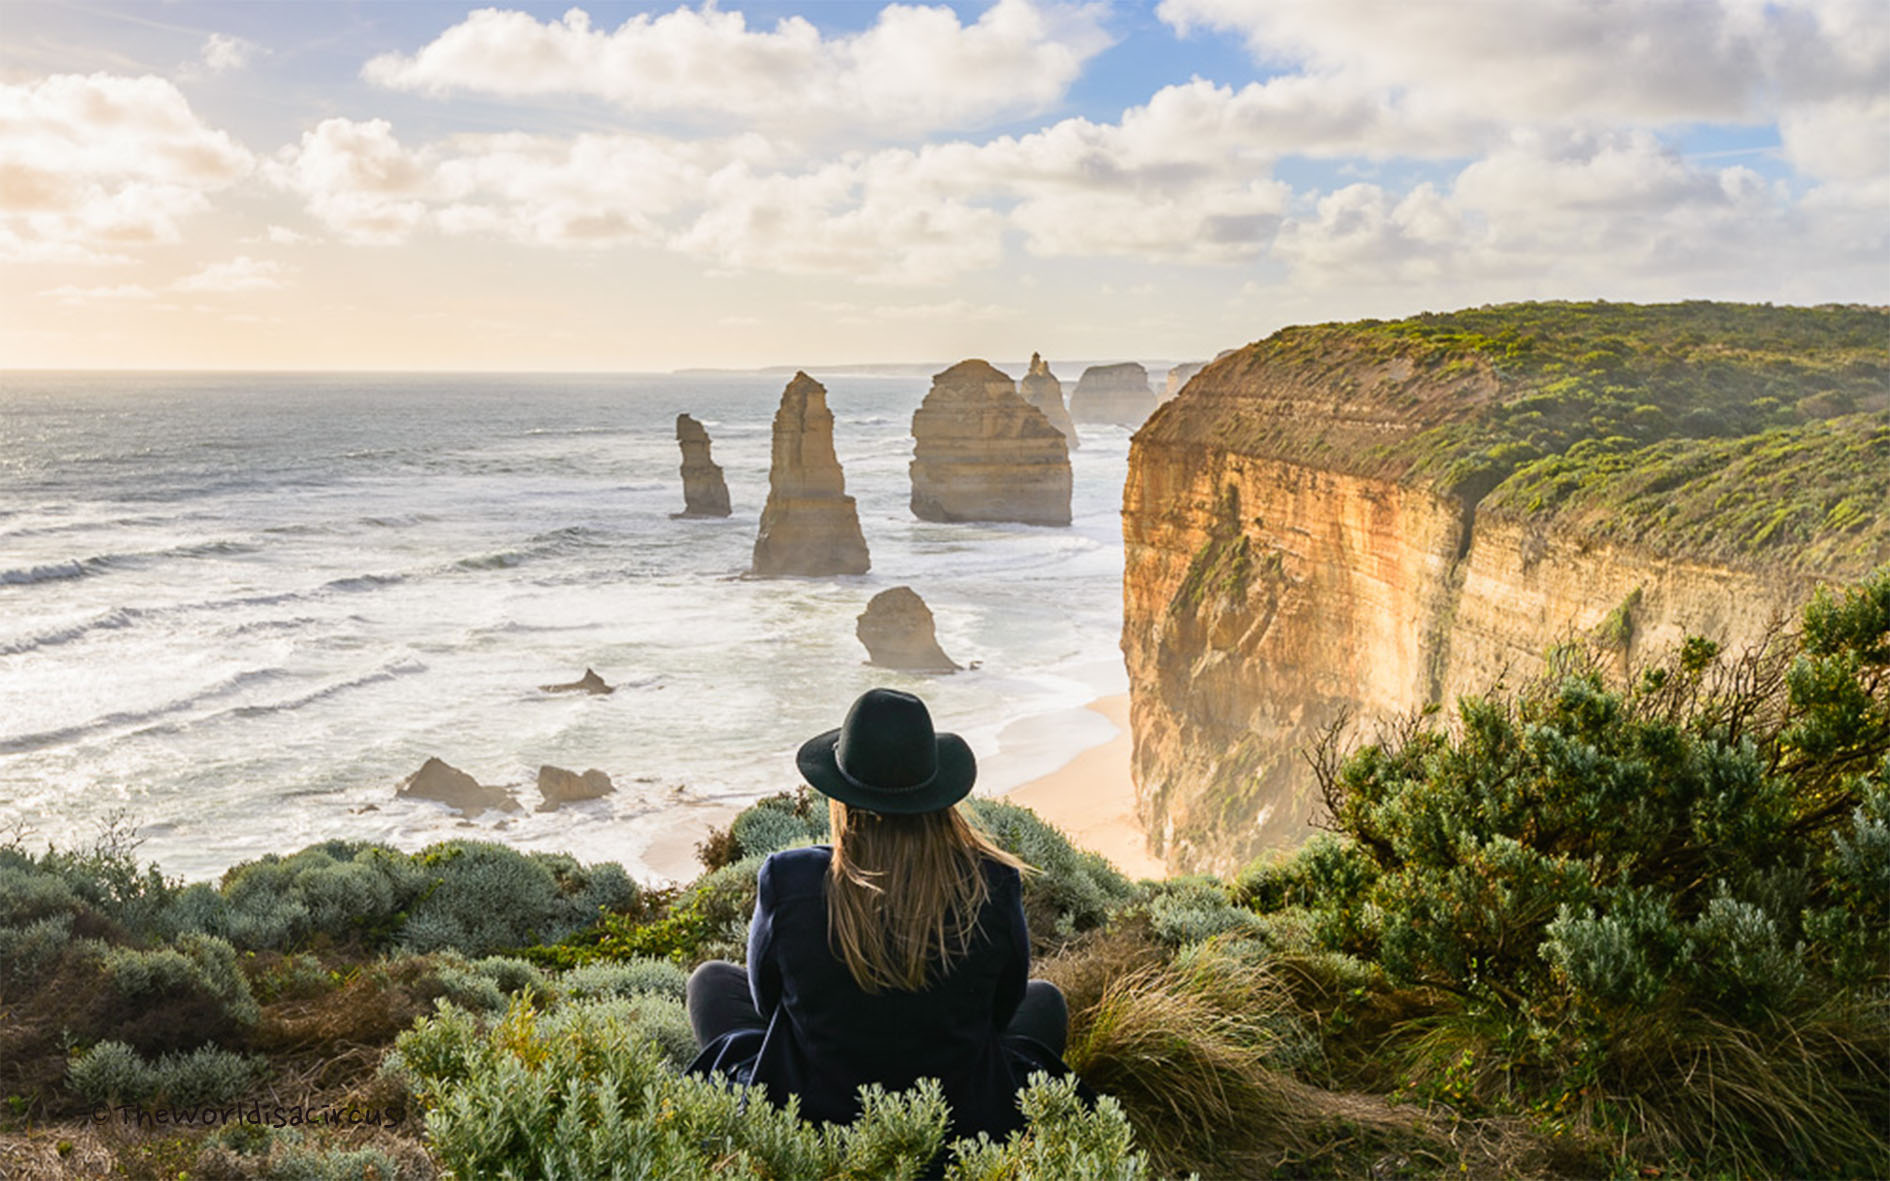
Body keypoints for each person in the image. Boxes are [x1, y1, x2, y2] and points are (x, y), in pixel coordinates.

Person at [685, 687, 1079, 1141]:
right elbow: (1003, 1009)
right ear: (937, 793)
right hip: (955, 1115)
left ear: (841, 794)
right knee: (1044, 1000)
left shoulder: (789, 879)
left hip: (815, 1113)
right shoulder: (991, 882)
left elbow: (766, 1001)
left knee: (711, 982)